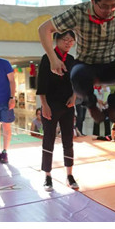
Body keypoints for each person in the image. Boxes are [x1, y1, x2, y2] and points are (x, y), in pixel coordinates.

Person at [37, 30, 79, 192]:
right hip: (50, 105)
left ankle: (70, 174)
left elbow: (76, 82)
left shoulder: (71, 60)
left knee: (68, 140)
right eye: (65, 40)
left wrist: (74, 97)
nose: (68, 43)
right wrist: (44, 105)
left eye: (71, 40)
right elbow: (41, 84)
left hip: (68, 105)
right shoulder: (47, 58)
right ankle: (47, 176)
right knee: (48, 139)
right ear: (57, 40)